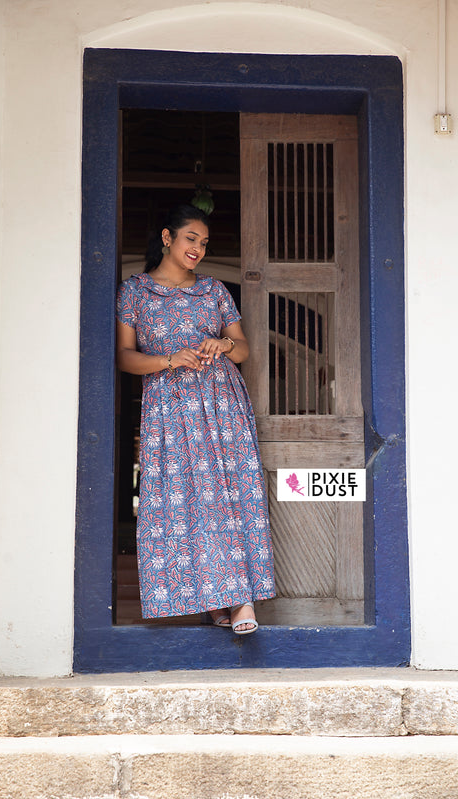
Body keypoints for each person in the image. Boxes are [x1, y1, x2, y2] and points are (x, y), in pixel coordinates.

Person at [116, 204, 276, 634]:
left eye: (204, 243)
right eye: (191, 239)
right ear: (167, 237)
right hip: (169, 408)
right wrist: (168, 358)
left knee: (226, 495)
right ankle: (213, 600)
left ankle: (240, 600)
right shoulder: (135, 292)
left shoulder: (214, 291)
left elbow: (243, 349)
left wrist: (222, 344)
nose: (198, 249)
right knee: (184, 500)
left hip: (222, 404)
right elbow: (124, 357)